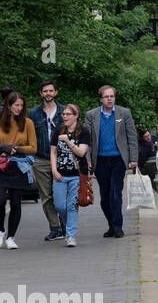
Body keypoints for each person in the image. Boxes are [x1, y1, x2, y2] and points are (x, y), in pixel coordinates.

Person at [85, 85, 138, 239]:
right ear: (101, 99)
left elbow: (132, 137)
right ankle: (111, 224)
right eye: (106, 96)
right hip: (100, 160)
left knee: (115, 192)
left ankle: (117, 226)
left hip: (118, 160)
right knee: (104, 195)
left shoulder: (124, 113)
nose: (109, 99)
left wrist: (133, 159)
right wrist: (87, 160)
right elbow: (87, 140)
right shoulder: (91, 115)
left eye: (112, 96)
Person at [30, 79, 66, 241]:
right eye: (45, 91)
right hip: (41, 159)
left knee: (62, 195)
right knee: (46, 196)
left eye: (51, 91)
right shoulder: (34, 113)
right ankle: (55, 228)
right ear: (41, 93)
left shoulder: (65, 111)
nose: (48, 93)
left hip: (62, 159)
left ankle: (66, 225)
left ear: (56, 92)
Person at [0, 92, 36, 249]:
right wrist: (3, 147)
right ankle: (0, 231)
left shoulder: (27, 123)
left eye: (22, 105)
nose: (19, 108)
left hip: (19, 165)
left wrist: (17, 148)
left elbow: (34, 148)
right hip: (2, 165)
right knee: (0, 200)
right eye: (16, 105)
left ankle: (11, 237)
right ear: (8, 106)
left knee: (16, 202)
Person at [51, 103, 90, 248]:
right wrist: (54, 170)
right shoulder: (58, 130)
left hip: (77, 175)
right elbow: (53, 152)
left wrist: (68, 140)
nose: (65, 116)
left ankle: (71, 235)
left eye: (68, 114)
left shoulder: (83, 132)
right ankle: (69, 228)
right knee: (60, 206)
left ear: (76, 116)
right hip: (60, 174)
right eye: (63, 114)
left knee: (72, 206)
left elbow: (81, 152)